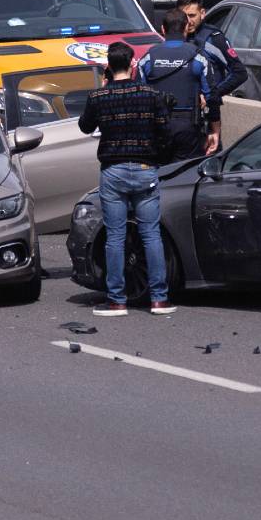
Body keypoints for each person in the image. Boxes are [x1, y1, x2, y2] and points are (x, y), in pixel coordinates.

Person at [77, 41, 175, 318]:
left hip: (113, 170)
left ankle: (117, 301)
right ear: (132, 65)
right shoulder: (150, 94)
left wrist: (102, 86)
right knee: (150, 234)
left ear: (108, 66)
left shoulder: (98, 96)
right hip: (145, 168)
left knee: (115, 237)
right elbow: (165, 132)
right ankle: (159, 300)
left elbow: (85, 126)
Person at [136, 8, 218, 161]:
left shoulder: (148, 57)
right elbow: (212, 96)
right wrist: (215, 131)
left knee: (158, 176)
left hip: (156, 127)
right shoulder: (197, 56)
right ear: (187, 27)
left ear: (162, 29)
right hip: (188, 128)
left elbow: (137, 96)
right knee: (185, 176)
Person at [177, 0, 247, 135]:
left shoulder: (214, 38)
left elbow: (240, 73)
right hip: (180, 113)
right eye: (184, 17)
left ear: (202, 13)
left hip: (208, 114)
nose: (188, 21)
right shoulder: (174, 38)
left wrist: (211, 95)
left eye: (192, 15)